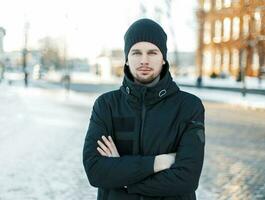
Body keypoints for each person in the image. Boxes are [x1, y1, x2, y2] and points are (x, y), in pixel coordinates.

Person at [83, 18, 205, 200]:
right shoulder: (106, 105)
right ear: (126, 59)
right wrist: (158, 163)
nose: (144, 60)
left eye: (153, 52)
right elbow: (95, 171)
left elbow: (187, 178)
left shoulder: (189, 107)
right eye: (136, 53)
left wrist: (122, 177)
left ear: (163, 59)